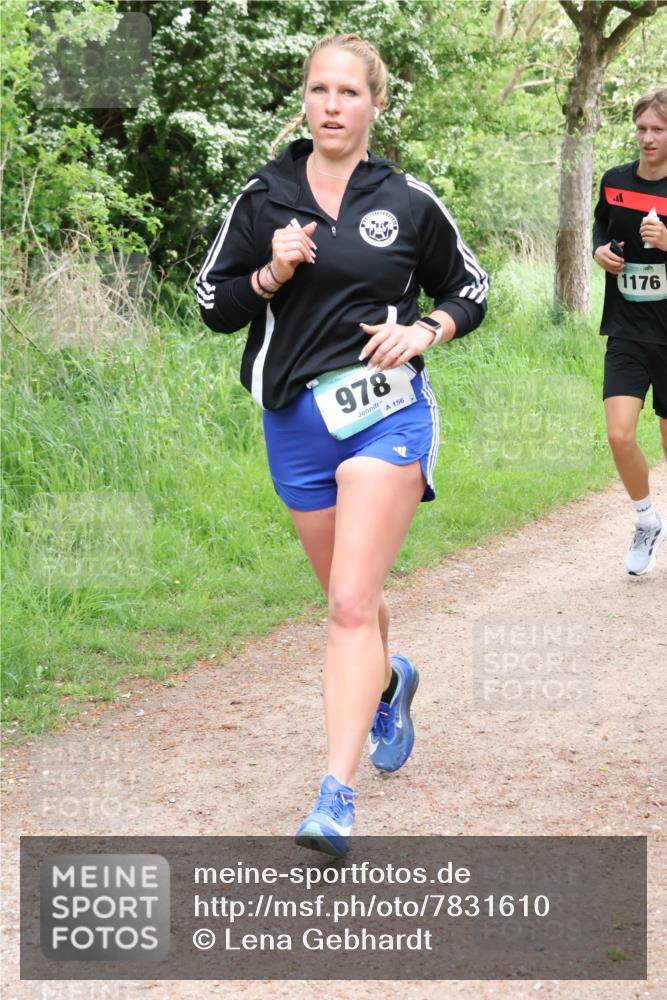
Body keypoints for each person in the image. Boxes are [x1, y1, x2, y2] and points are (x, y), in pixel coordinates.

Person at [195, 33, 488, 857]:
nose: (332, 105)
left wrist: (426, 329)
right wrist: (270, 275)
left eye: (348, 92)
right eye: (319, 90)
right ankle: (389, 681)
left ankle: (334, 795)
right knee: (346, 600)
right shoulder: (263, 198)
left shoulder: (409, 200)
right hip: (293, 421)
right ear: (304, 99)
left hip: (387, 417)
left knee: (349, 607)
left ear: (374, 104)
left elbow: (469, 287)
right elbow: (212, 305)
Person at [593, 86, 667, 575]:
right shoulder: (615, 182)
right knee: (620, 435)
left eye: (658, 129)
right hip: (627, 329)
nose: (647, 138)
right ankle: (646, 520)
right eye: (641, 129)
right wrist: (600, 251)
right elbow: (600, 229)